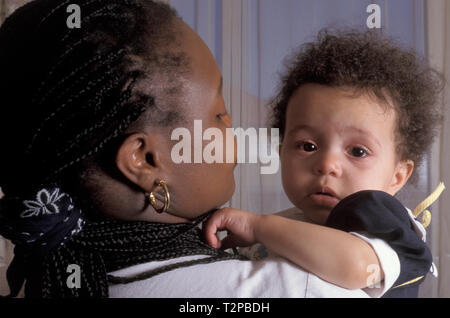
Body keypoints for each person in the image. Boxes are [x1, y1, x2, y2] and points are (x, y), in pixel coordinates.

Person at [0, 0, 370, 298]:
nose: (231, 131)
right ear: (146, 160)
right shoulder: (305, 289)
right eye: (219, 115)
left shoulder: (41, 278)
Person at [204, 30, 444, 298]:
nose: (327, 164)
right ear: (281, 151)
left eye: (357, 151)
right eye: (308, 146)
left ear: (397, 177)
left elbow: (355, 266)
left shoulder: (383, 221)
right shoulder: (288, 222)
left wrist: (258, 227)